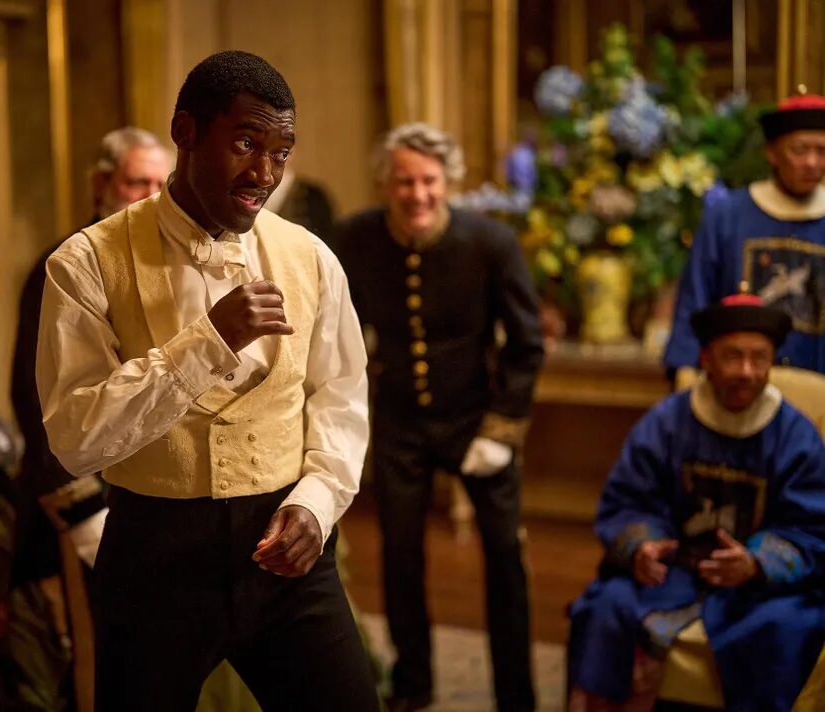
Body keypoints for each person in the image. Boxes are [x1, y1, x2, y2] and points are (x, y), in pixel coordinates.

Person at [36, 50, 378, 710]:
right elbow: (74, 439)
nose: (264, 174)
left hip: (286, 552)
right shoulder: (84, 263)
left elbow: (341, 397)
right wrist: (208, 343)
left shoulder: (311, 257)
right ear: (185, 131)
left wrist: (317, 501)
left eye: (281, 153)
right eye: (246, 143)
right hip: (153, 559)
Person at [334, 123, 544, 712]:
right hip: (399, 421)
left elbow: (526, 343)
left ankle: (517, 696)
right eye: (405, 182)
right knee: (400, 555)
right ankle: (413, 684)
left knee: (504, 557)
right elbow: (335, 330)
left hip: (477, 418)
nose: (418, 194)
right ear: (385, 183)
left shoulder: (491, 242)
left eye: (429, 181)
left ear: (447, 181)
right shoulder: (354, 238)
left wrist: (502, 428)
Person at [568, 294, 825, 711]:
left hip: (757, 591)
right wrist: (643, 546)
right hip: (670, 574)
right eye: (733, 357)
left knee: (789, 628)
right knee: (606, 607)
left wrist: (756, 562)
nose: (747, 371)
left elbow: (811, 527)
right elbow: (628, 501)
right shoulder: (666, 423)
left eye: (759, 358)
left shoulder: (795, 437)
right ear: (706, 359)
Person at [10, 126, 171, 587]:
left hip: (150, 498)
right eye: (136, 182)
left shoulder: (167, 263)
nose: (151, 197)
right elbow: (35, 399)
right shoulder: (64, 266)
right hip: (80, 506)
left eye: (161, 185)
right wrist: (84, 512)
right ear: (101, 185)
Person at [664, 91, 825, 374]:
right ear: (772, 152)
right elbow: (695, 299)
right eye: (800, 150)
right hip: (738, 382)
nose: (812, 162)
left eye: (822, 151)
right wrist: (685, 371)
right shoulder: (726, 216)